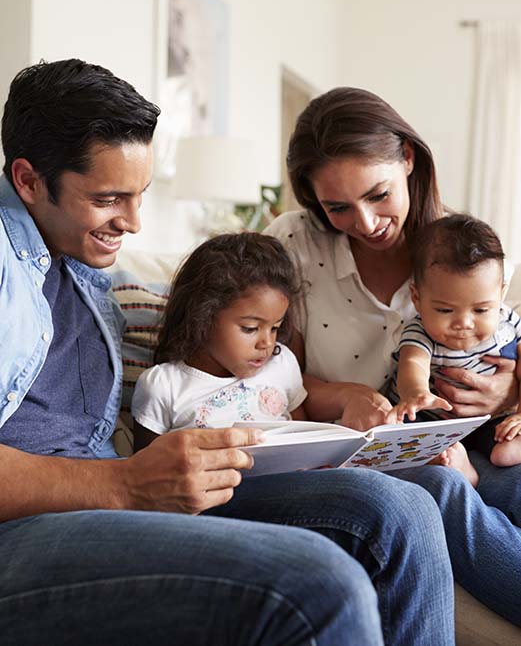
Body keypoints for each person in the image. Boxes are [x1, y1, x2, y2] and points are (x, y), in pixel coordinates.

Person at [0, 59, 456, 646]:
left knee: (400, 510)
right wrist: (126, 486)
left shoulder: (81, 267)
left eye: (140, 195)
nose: (135, 222)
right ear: (30, 180)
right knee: (320, 584)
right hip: (32, 528)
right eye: (111, 197)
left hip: (111, 501)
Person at [265, 86, 521, 626]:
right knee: (442, 490)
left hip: (465, 440)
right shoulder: (294, 243)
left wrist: (511, 391)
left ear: (408, 158)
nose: (365, 221)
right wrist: (345, 395)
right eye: (338, 207)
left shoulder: (465, 252)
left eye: (377, 194)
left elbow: (502, 343)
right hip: (357, 458)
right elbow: (264, 371)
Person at [133, 232, 306, 450]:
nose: (267, 343)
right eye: (250, 329)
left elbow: (304, 434)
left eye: (275, 328)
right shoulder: (163, 386)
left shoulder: (282, 364)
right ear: (202, 316)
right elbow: (145, 469)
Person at [386, 214, 521, 477]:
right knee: (416, 446)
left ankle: (509, 445)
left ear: (501, 294)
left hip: (488, 419)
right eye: (445, 310)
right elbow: (413, 362)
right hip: (432, 422)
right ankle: (461, 468)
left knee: (506, 438)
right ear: (417, 298)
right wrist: (416, 393)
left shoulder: (507, 320)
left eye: (481, 309)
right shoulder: (421, 329)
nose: (464, 323)